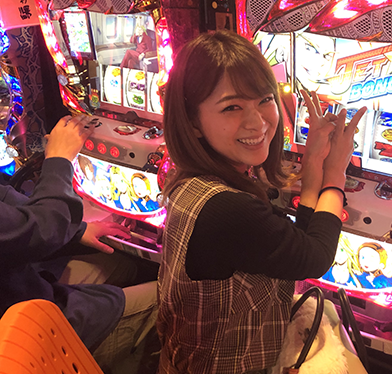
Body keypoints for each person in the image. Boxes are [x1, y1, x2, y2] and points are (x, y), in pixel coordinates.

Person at [157, 30, 366, 374]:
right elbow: (315, 257)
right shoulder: (227, 209)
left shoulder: (195, 180)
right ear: (193, 122)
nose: (257, 123)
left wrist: (313, 163)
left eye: (265, 100)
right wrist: (335, 175)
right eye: (232, 107)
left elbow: (296, 245)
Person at [0, 114, 158, 372]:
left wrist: (77, 230)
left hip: (24, 284)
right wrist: (59, 159)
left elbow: (11, 207)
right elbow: (43, 230)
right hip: (30, 334)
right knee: (167, 297)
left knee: (123, 266)